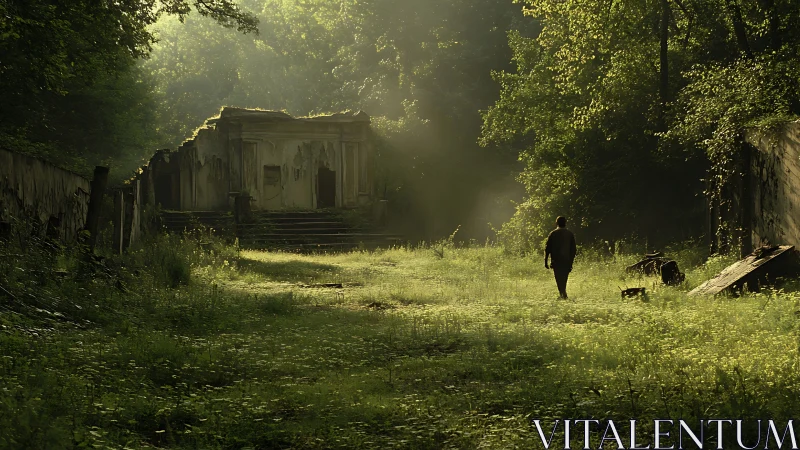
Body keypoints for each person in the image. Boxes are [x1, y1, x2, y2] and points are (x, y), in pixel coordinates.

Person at [544, 216, 577, 299]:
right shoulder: (569, 234)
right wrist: (571, 262)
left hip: (556, 261)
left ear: (556, 223)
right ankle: (563, 293)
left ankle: (562, 294)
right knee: (564, 278)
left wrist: (546, 261)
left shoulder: (553, 233)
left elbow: (548, 248)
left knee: (558, 278)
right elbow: (573, 250)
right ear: (565, 223)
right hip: (566, 260)